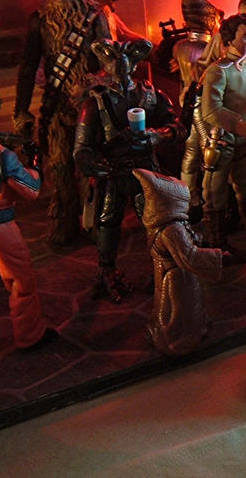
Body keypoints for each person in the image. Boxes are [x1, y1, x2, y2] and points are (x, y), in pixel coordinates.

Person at [73, 39, 186, 303]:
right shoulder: (95, 103)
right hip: (113, 172)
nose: (120, 68)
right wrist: (95, 164)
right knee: (107, 221)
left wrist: (156, 136)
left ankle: (162, 268)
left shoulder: (151, 95)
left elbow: (178, 127)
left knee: (155, 221)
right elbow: (82, 148)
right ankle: (107, 269)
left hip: (146, 169)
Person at [13, 0, 111, 245]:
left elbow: (110, 62)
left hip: (91, 105)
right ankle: (64, 221)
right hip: (56, 105)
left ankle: (95, 220)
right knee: (59, 165)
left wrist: (94, 82)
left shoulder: (96, 18)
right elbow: (29, 66)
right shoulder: (40, 20)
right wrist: (21, 111)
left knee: (93, 164)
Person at [0, 90, 58, 355]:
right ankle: (29, 335)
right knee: (21, 283)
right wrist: (35, 164)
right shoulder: (1, 156)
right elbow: (31, 190)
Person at [132, 168, 223, 357]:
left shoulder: (164, 225)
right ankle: (180, 338)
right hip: (178, 277)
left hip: (169, 273)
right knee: (179, 310)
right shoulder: (173, 230)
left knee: (169, 308)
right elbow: (189, 256)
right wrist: (217, 257)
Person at [199, 13, 246, 252]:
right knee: (214, 191)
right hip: (221, 141)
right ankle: (217, 243)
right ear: (229, 40)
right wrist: (239, 124)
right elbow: (210, 110)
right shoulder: (218, 71)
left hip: (243, 142)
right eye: (245, 37)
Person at [174, 0, 222, 222]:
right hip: (202, 105)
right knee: (208, 153)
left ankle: (188, 199)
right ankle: (207, 203)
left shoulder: (180, 47)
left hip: (186, 103)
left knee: (191, 152)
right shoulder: (206, 50)